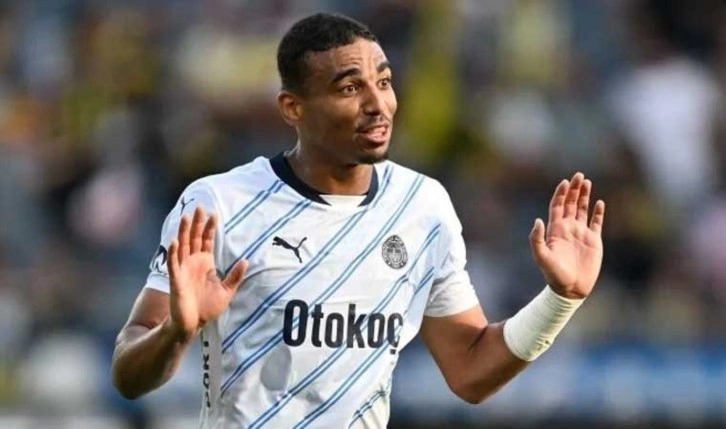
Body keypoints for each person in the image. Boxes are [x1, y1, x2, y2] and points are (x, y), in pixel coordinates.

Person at [111, 12, 606, 429]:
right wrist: (177, 331)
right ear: (293, 108)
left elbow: (470, 371)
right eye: (350, 87)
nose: (378, 105)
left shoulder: (422, 206)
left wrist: (561, 299)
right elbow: (128, 376)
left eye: (384, 82)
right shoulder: (219, 203)